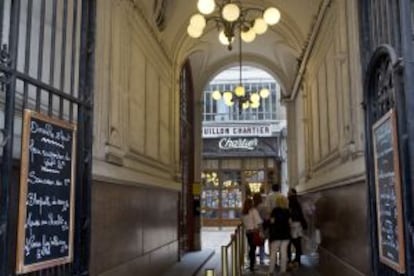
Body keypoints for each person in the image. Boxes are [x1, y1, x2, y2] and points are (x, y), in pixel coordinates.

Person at [268, 194, 291, 275]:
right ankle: (283, 271)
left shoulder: (274, 210)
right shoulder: (287, 211)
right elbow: (289, 222)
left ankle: (271, 271)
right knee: (284, 252)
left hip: (276, 234)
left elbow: (271, 222)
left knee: (273, 253)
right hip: (286, 234)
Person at [287, 188, 307, 269]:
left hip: (292, 224)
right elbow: (301, 213)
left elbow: (288, 213)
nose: (287, 193)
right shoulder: (298, 201)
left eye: (289, 192)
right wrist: (303, 223)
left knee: (291, 242)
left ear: (292, 193)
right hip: (298, 224)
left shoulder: (289, 201)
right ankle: (297, 259)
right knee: (297, 242)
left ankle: (290, 260)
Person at [242, 197, 263, 272]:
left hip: (248, 232)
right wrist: (261, 230)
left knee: (251, 248)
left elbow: (244, 223)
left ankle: (251, 264)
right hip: (254, 232)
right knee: (253, 249)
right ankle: (252, 266)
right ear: (251, 203)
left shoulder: (244, 212)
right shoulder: (253, 211)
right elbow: (259, 222)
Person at [253, 193, 267, 265]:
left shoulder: (252, 207)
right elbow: (265, 217)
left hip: (253, 227)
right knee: (262, 243)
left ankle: (253, 259)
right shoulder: (263, 207)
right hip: (261, 226)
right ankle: (261, 259)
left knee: (253, 243)